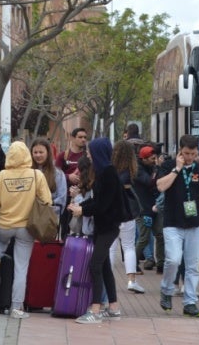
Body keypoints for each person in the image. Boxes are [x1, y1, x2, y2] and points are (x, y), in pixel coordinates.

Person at [0, 141, 52, 320]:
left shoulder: (2, 175)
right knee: (21, 267)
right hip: (26, 228)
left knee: (1, 241)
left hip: (4, 225)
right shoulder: (36, 175)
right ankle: (16, 307)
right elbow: (47, 200)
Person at [157, 134, 199, 318]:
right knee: (173, 259)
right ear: (180, 151)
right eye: (186, 153)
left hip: (194, 224)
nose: (190, 157)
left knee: (192, 265)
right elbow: (161, 186)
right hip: (172, 223)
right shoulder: (168, 166)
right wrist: (177, 169)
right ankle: (166, 290)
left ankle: (190, 302)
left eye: (193, 154)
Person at [67, 137, 126, 323]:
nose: (88, 154)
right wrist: (81, 206)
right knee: (105, 266)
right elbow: (97, 200)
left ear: (98, 152)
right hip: (103, 226)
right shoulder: (102, 172)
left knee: (95, 265)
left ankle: (95, 309)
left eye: (90, 151)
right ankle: (113, 307)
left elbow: (102, 204)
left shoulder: (108, 173)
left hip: (109, 226)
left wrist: (82, 210)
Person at [108, 140, 145, 293]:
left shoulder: (109, 170)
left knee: (111, 247)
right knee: (129, 246)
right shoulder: (131, 171)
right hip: (127, 212)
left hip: (111, 212)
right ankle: (131, 281)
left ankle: (107, 280)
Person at [133, 145, 160, 272]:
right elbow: (149, 182)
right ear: (143, 159)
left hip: (155, 207)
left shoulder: (150, 167)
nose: (154, 161)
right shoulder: (137, 169)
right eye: (152, 159)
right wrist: (157, 169)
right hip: (143, 209)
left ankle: (161, 263)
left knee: (160, 235)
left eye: (155, 158)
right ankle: (133, 263)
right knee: (143, 238)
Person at [31, 138, 67, 217]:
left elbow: (61, 199)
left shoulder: (58, 174)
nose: (38, 155)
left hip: (49, 218)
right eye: (35, 152)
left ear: (48, 153)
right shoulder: (27, 172)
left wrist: (43, 209)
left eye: (41, 152)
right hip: (29, 218)